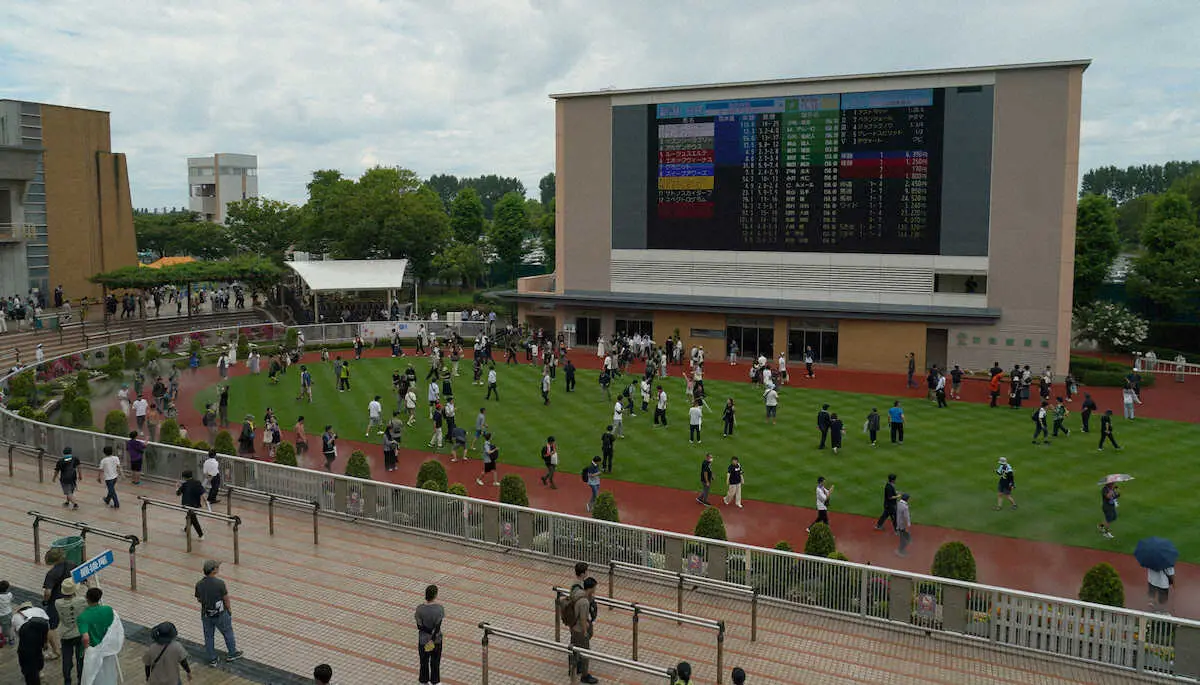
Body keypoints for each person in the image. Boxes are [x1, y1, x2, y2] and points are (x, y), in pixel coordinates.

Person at [195, 560, 242, 665]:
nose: (218, 568)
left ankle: (212, 658)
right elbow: (226, 598)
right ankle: (232, 653)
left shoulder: (199, 584)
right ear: (213, 570)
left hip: (206, 614)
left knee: (208, 636)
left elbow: (199, 599)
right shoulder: (220, 583)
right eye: (217, 567)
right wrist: (229, 610)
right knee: (227, 633)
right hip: (220, 614)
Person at [78, 586, 122, 685]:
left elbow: (85, 637)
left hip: (93, 652)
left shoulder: (83, 617)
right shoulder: (108, 610)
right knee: (108, 675)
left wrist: (87, 649)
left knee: (92, 677)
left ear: (86, 598)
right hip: (107, 650)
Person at [55, 578, 88, 685]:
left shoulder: (58, 603)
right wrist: (88, 586)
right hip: (79, 633)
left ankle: (67, 680)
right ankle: (80, 679)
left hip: (65, 635)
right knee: (81, 658)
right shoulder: (81, 601)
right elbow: (92, 600)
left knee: (67, 660)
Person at [567, 578, 599, 684]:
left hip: (573, 627)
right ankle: (584, 675)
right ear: (591, 588)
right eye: (594, 587)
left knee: (574, 648)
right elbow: (583, 619)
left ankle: (572, 669)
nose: (595, 589)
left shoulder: (577, 593)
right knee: (585, 652)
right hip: (580, 630)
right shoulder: (584, 601)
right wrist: (585, 631)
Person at [16, 602, 51, 685]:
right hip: (39, 639)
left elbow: (18, 634)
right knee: (38, 656)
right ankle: (38, 671)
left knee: (29, 671)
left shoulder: (16, 617)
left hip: (25, 646)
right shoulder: (40, 611)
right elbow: (47, 627)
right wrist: (45, 642)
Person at [415, 584, 444, 685]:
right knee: (435, 662)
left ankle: (423, 681)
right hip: (436, 640)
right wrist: (433, 636)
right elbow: (438, 626)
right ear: (435, 595)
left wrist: (428, 632)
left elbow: (419, 626)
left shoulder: (419, 609)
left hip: (423, 640)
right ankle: (435, 681)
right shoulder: (439, 609)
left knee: (424, 662)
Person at [177, 470, 206, 539]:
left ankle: (201, 535)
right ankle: (186, 529)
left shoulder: (184, 485)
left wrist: (177, 487)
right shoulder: (197, 482)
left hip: (188, 504)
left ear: (184, 477)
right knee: (190, 516)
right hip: (196, 503)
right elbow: (203, 493)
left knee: (193, 519)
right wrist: (205, 502)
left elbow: (178, 493)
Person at [896, 493, 912, 557]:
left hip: (898, 523)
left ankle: (908, 540)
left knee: (906, 536)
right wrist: (908, 524)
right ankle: (900, 551)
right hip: (902, 525)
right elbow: (906, 517)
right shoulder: (905, 507)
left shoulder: (898, 504)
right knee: (903, 540)